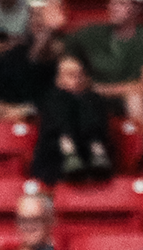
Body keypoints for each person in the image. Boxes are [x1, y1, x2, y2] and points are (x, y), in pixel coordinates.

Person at [70, 0, 143, 128]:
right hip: (92, 98)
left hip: (125, 99)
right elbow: (61, 55)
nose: (113, 8)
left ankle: (140, 145)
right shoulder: (92, 33)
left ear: (137, 8)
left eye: (121, 4)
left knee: (135, 98)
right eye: (112, 3)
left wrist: (102, 89)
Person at [33, 53, 116, 182]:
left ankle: (95, 152)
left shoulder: (95, 100)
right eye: (70, 74)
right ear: (58, 79)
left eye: (80, 74)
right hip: (55, 160)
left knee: (89, 99)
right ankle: (69, 151)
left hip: (93, 163)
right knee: (60, 99)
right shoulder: (51, 100)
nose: (77, 79)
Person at [0, 0, 69, 118]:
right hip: (10, 120)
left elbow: (63, 98)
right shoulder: (14, 55)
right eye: (34, 15)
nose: (38, 20)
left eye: (43, 15)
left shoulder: (67, 55)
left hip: (48, 123)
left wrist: (28, 110)